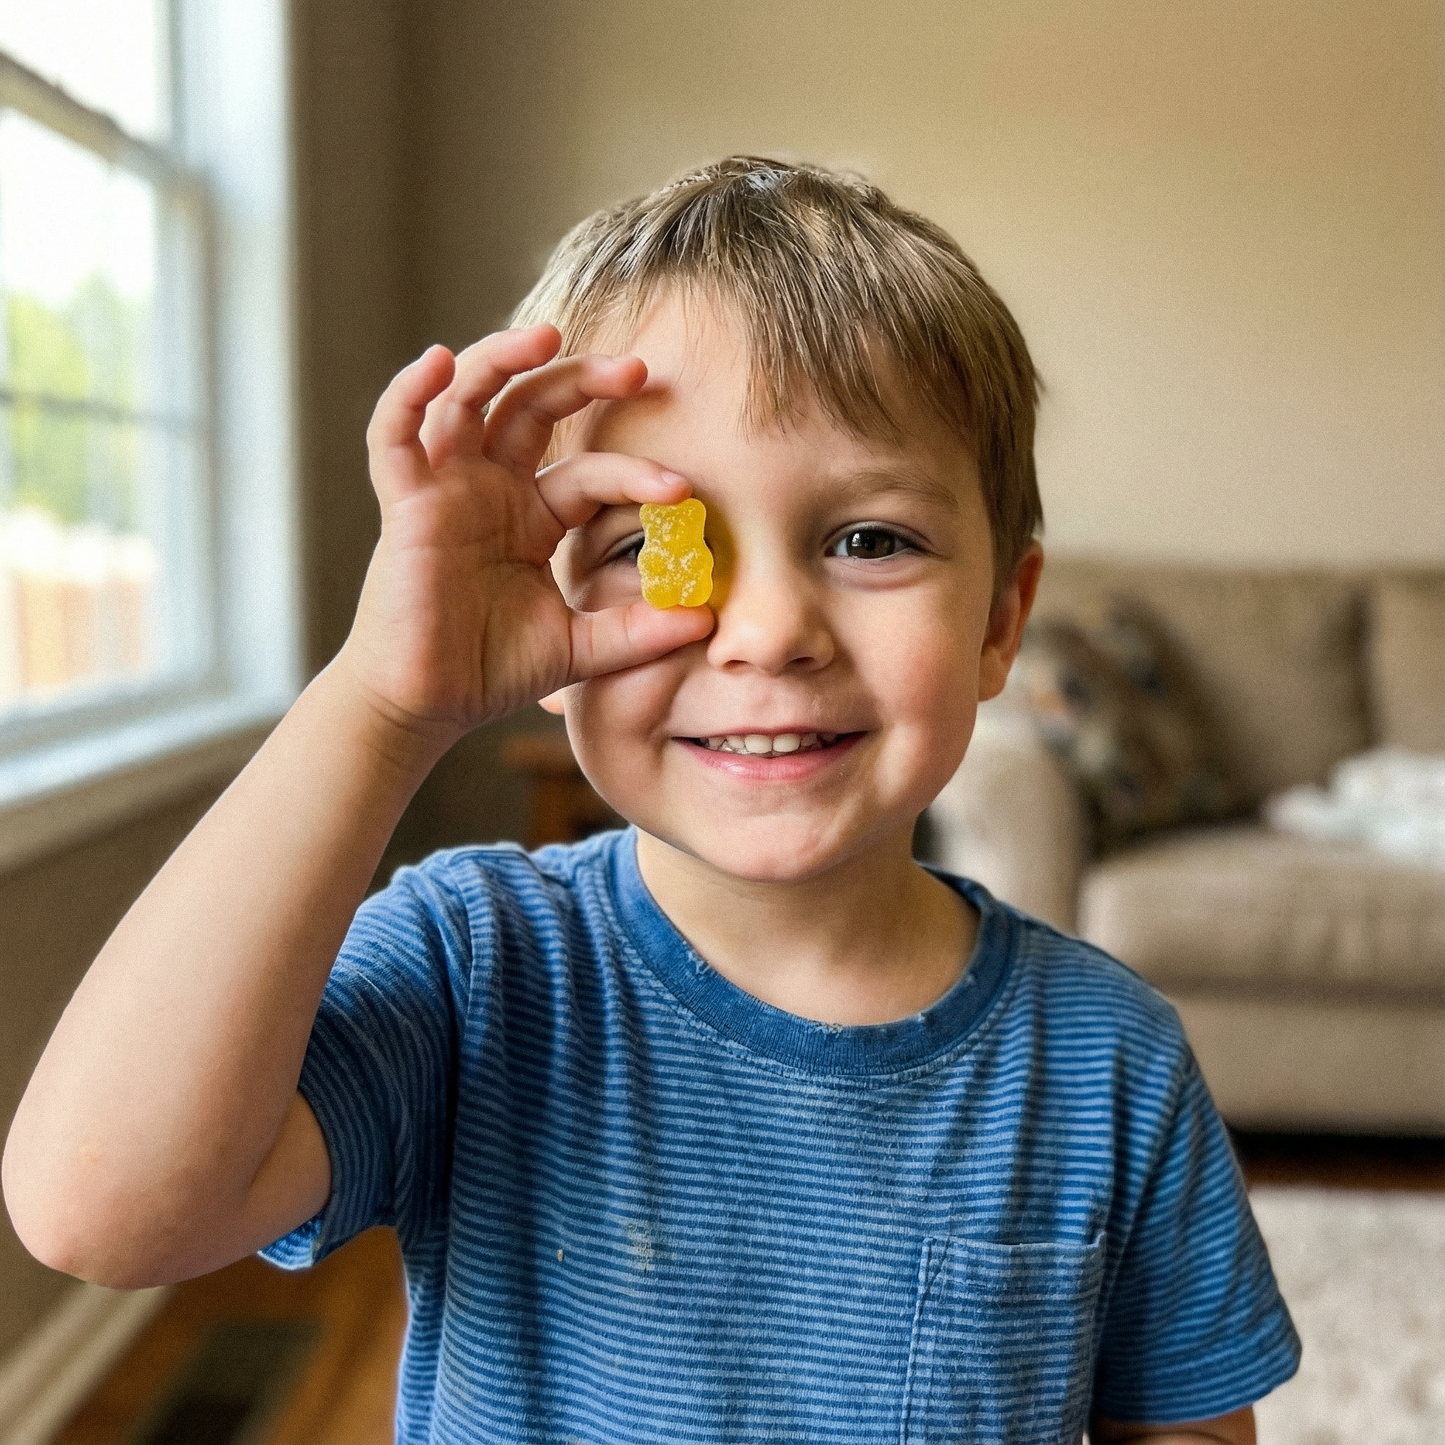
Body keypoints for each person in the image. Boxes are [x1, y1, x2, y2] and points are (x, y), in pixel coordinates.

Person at [3, 157, 1299, 1443]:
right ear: (550, 610)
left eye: (869, 540)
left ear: (1000, 623)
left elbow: (1185, 1426)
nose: (768, 630)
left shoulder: (1108, 1062)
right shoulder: (480, 965)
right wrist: (383, 703)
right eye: (657, 546)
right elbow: (98, 1209)